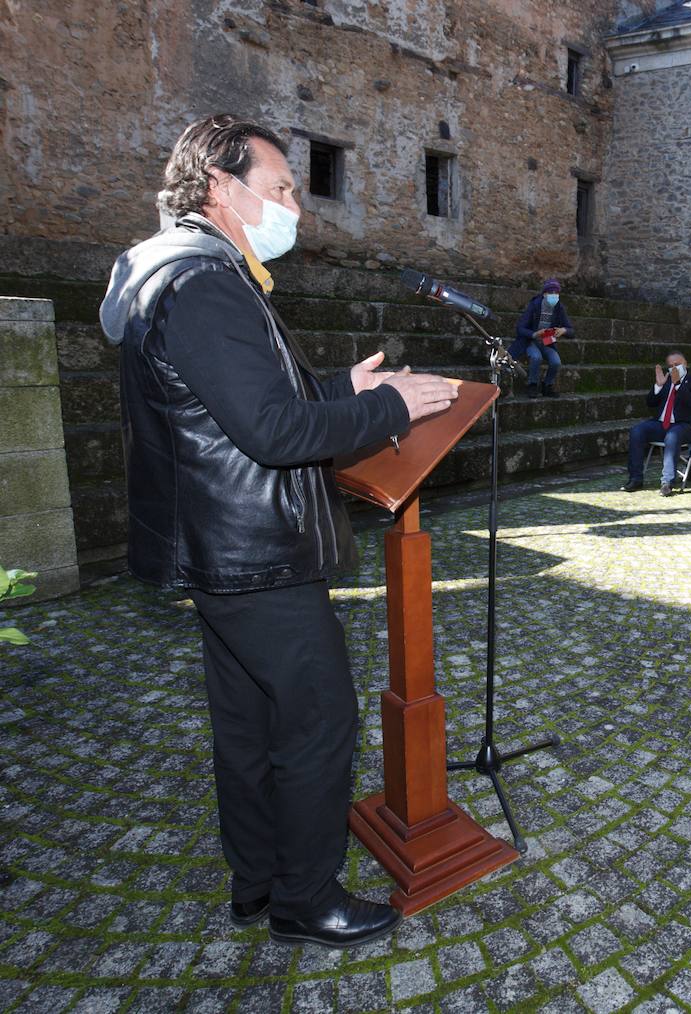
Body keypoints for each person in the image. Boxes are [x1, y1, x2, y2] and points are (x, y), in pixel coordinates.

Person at [98, 114, 461, 948]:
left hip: (226, 550)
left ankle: (257, 882)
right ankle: (305, 900)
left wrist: (342, 385)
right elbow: (269, 432)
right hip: (254, 555)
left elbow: (231, 403)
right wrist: (386, 408)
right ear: (221, 187)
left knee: (249, 725)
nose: (295, 204)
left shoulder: (194, 272)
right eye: (281, 188)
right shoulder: (204, 283)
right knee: (317, 723)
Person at [624, 351, 691, 496]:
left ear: (686, 364)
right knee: (637, 431)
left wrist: (679, 385)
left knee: (672, 436)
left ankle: (667, 482)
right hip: (661, 424)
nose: (674, 368)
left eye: (677, 364)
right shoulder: (666, 381)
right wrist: (658, 386)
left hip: (686, 426)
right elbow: (650, 403)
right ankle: (635, 478)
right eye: (671, 365)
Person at [513, 278, 573, 398]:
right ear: (544, 294)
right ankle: (532, 384)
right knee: (536, 357)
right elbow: (520, 328)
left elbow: (571, 330)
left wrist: (564, 330)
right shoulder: (534, 305)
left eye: (557, 293)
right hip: (530, 341)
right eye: (551, 293)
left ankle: (547, 385)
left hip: (547, 341)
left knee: (556, 362)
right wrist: (535, 334)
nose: (554, 296)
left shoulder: (559, 308)